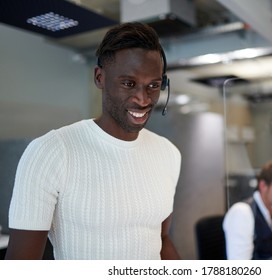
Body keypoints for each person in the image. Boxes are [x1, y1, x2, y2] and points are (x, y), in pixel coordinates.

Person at [5, 22, 181, 260]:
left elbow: (161, 240)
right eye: (128, 83)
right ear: (100, 78)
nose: (142, 98)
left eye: (153, 86)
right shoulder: (51, 151)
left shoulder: (168, 153)